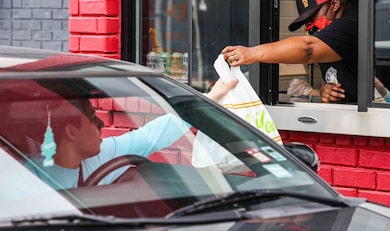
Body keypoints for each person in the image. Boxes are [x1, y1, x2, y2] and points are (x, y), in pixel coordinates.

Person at [27, 78, 238, 189]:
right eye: (92, 118)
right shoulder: (28, 176)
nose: (101, 123)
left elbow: (152, 135)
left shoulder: (104, 154)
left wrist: (210, 98)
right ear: (71, 132)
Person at [222, 0, 359, 103]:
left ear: (334, 4)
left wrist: (253, 53)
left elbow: (308, 49)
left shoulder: (350, 25)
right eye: (306, 21)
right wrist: (324, 90)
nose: (310, 26)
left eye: (312, 18)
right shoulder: (326, 34)